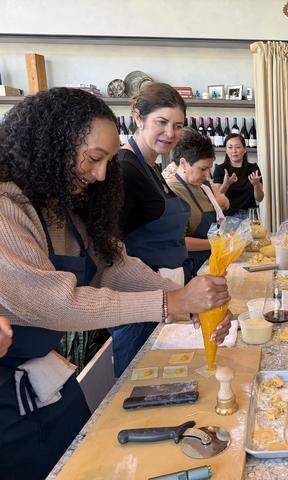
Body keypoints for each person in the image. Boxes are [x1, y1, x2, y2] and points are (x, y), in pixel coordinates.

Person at [0, 88, 232, 480]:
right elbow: (55, 303)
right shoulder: (8, 207)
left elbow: (115, 267)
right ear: (50, 144)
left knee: (89, 460)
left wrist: (184, 301)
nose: (102, 174)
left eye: (107, 160)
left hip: (50, 380)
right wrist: (167, 304)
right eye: (93, 159)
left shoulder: (65, 205)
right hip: (7, 396)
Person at [114, 82, 191, 377]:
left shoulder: (152, 167)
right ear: (138, 117)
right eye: (162, 122)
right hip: (138, 303)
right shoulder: (125, 169)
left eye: (178, 125)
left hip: (161, 292)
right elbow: (112, 250)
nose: (170, 133)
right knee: (136, 386)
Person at [166, 128, 230, 281]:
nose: (208, 175)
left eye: (209, 168)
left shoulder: (203, 188)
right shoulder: (170, 192)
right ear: (184, 163)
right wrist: (214, 243)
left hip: (206, 267)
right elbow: (177, 242)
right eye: (203, 169)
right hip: (186, 274)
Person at [211, 133, 263, 219]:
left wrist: (256, 185)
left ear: (245, 149)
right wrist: (226, 184)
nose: (234, 151)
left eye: (238, 147)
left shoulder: (253, 168)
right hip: (228, 216)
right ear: (226, 150)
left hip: (250, 216)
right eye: (230, 147)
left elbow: (259, 198)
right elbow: (218, 198)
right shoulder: (220, 169)